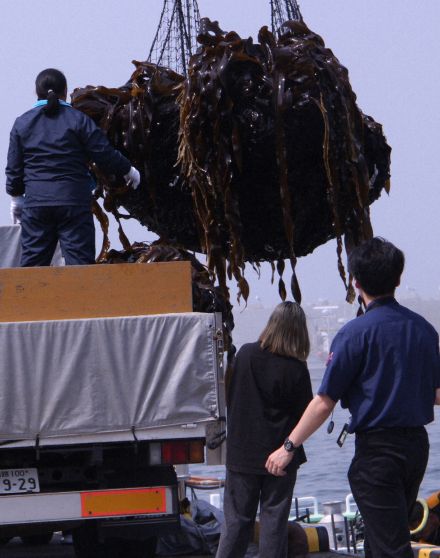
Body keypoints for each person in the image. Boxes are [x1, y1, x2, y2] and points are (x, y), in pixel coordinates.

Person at [265, 237, 440, 558]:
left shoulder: (354, 334)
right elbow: (438, 394)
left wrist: (288, 447)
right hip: (416, 448)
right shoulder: (424, 330)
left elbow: (323, 402)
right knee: (383, 535)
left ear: (356, 282)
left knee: (390, 546)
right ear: (398, 279)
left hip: (378, 453)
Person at [5, 68, 140, 266]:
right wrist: (128, 170)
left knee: (31, 271)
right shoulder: (78, 120)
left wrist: (16, 198)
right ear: (64, 91)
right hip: (74, 203)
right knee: (80, 270)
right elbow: (103, 153)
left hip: (37, 205)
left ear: (36, 92)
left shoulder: (22, 123)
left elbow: (14, 167)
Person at [216, 301, 313, 558]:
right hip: (280, 457)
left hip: (241, 455)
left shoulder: (245, 355)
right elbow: (306, 415)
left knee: (236, 524)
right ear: (298, 331)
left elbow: (230, 397)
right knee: (273, 524)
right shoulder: (296, 369)